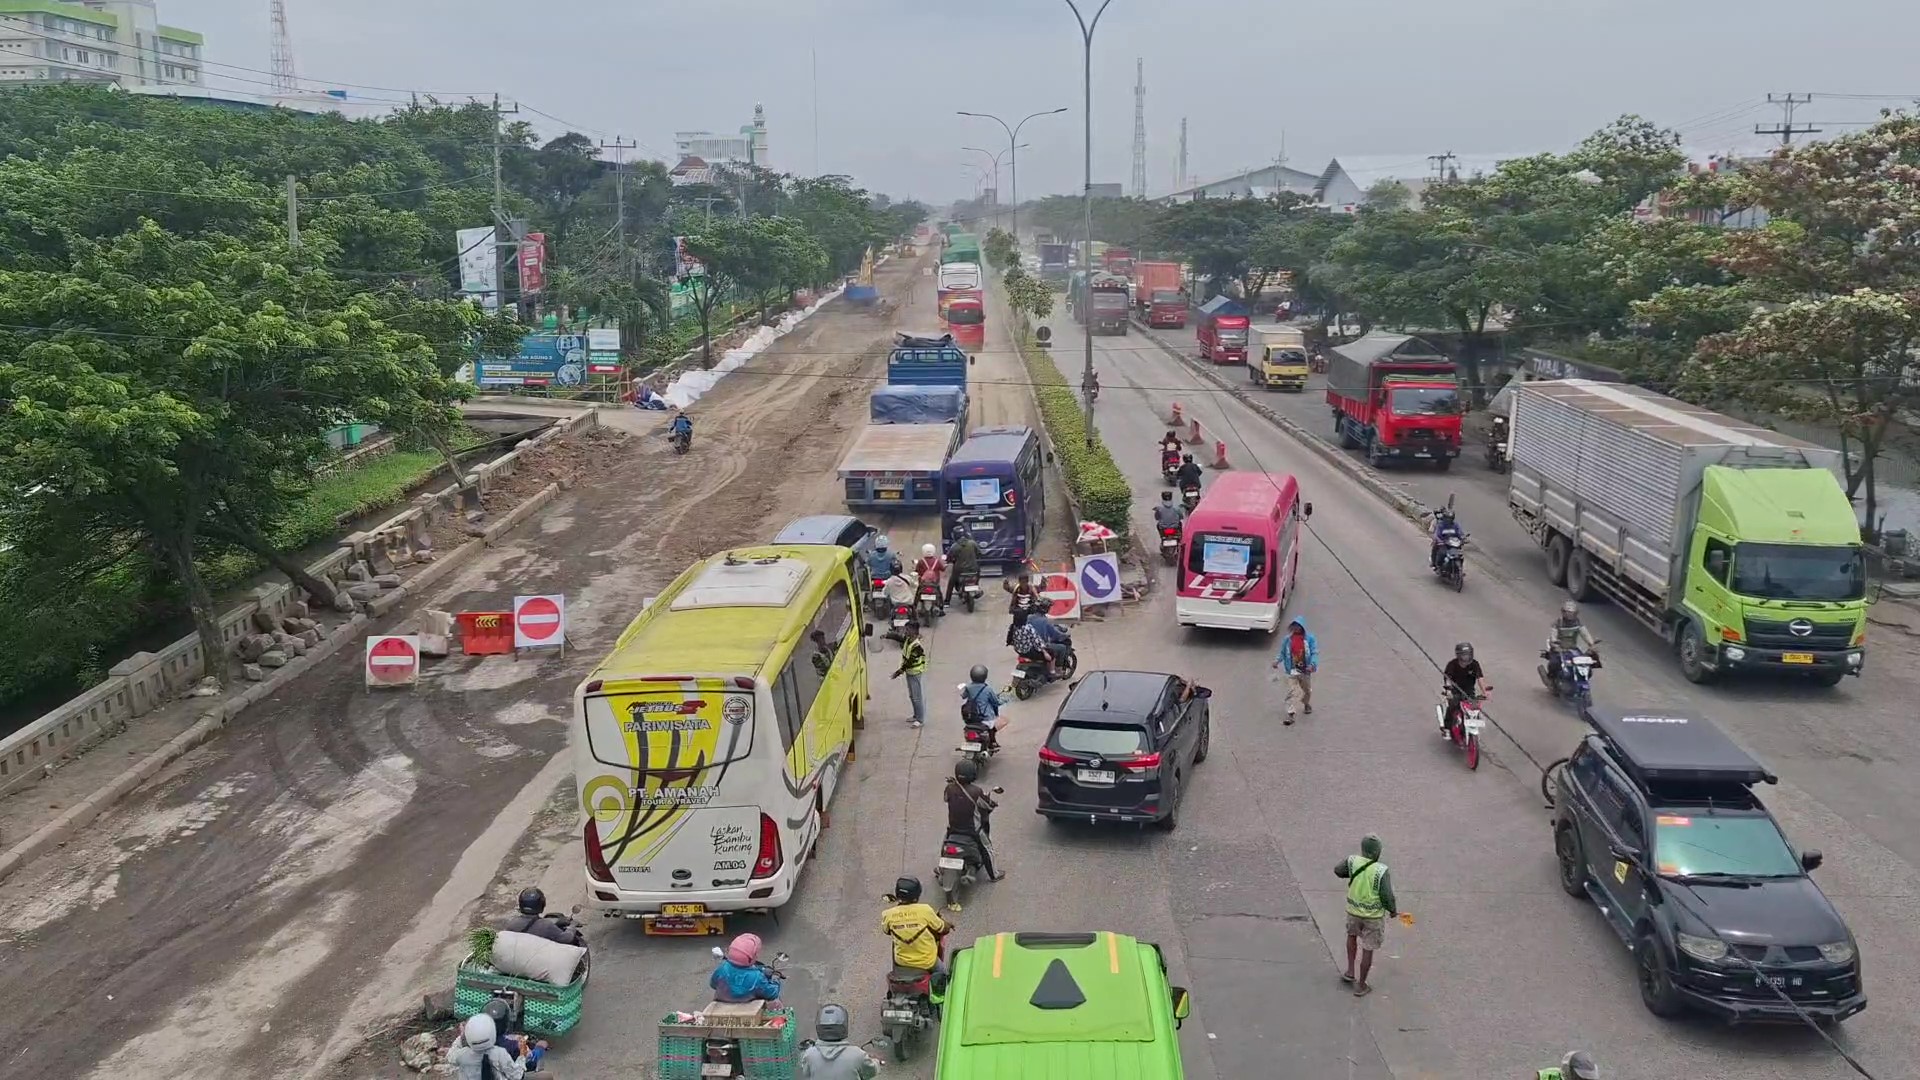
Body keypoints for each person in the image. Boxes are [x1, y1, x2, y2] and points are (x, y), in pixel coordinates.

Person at [1335, 834, 1397, 998]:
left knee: (1351, 937)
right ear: (1378, 852)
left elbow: (1338, 870)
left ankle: (1350, 971)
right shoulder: (1381, 870)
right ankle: (1361, 985)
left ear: (1363, 850)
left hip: (1353, 912)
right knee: (1368, 949)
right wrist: (1392, 910)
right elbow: (1387, 896)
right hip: (1373, 918)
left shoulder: (1353, 861)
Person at [944, 759, 1003, 889]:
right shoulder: (976, 791)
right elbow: (986, 805)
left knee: (945, 843)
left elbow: (946, 799)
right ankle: (994, 874)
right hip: (972, 831)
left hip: (953, 829)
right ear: (973, 774)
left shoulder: (949, 788)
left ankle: (941, 868)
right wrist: (992, 803)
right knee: (987, 848)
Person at [881, 877, 952, 982]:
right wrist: (949, 925)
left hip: (902, 962)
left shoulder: (887, 914)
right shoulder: (925, 910)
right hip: (927, 962)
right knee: (945, 976)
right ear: (916, 896)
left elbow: (886, 931)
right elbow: (943, 929)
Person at [799, 1003, 879, 1079]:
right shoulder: (858, 1055)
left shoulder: (809, 1055)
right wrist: (876, 1062)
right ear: (844, 1026)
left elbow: (806, 1072)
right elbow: (872, 1071)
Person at [446, 1012, 528, 1080]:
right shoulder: (499, 1053)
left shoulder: (462, 1055)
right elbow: (516, 1075)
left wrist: (462, 1036)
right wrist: (522, 1056)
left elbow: (450, 1056)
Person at [498, 887, 585, 947]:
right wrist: (572, 927)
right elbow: (567, 938)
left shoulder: (512, 923)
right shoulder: (545, 926)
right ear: (542, 905)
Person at [1270, 616, 1318, 725]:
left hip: (1305, 671)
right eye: (1294, 626)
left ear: (1302, 627)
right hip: (1291, 671)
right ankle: (1290, 715)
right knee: (1291, 692)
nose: (1296, 628)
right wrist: (1277, 661)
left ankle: (1306, 703)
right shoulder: (1287, 640)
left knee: (1307, 691)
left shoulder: (1310, 639)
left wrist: (1312, 664)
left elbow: (1315, 652)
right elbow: (1282, 653)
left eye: (1298, 626)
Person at [709, 933, 783, 1003]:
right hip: (747, 1011)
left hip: (721, 1006)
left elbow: (713, 984)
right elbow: (772, 994)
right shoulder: (757, 977)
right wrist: (776, 980)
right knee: (776, 1004)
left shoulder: (723, 968)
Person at [1544, 600, 1599, 684]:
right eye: (1568, 613)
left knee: (1585, 665)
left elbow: (1585, 634)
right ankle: (1551, 679)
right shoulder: (1557, 623)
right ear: (1563, 613)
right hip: (1559, 648)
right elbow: (1553, 635)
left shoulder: (1577, 623)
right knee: (1554, 663)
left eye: (1572, 613)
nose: (1570, 615)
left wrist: (1591, 644)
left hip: (1572, 648)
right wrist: (1555, 643)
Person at [1441, 642, 1489, 734]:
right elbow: (1447, 678)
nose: (1466, 657)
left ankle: (1471, 725)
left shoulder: (1475, 664)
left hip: (1469, 691)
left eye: (1468, 655)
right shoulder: (1452, 665)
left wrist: (1485, 691)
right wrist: (1448, 690)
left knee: (1474, 708)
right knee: (1453, 705)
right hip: (1454, 690)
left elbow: (1480, 678)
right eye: (1464, 655)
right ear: (1459, 655)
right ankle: (1446, 728)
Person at [892, 621, 929, 728]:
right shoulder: (908, 640)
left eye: (907, 629)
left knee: (916, 696)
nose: (905, 631)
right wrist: (888, 636)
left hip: (915, 672)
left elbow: (910, 662)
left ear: (914, 631)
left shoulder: (917, 646)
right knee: (912, 695)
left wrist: (898, 672)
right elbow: (899, 638)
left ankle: (920, 719)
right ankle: (916, 715)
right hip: (910, 672)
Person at [960, 664, 1009, 739]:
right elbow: (996, 702)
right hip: (985, 718)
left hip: (970, 716)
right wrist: (1005, 700)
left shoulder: (968, 687)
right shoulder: (987, 689)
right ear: (985, 677)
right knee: (1004, 720)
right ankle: (991, 736)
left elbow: (963, 696)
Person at [1009, 611, 1052, 680]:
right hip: (1030, 652)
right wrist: (1044, 652)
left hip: (1019, 651)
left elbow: (1011, 641)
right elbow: (1037, 641)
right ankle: (1050, 673)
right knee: (1051, 654)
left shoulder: (1013, 627)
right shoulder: (1028, 627)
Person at [946, 530, 982, 604]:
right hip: (973, 568)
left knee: (951, 582)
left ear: (955, 536)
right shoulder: (972, 543)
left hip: (959, 570)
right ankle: (976, 587)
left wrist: (949, 561)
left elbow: (949, 558)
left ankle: (947, 601)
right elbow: (979, 553)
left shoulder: (954, 546)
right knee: (978, 574)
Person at [913, 543, 947, 613]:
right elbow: (943, 569)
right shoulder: (937, 561)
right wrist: (945, 565)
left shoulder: (921, 561)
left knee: (918, 594)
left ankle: (914, 607)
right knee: (939, 594)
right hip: (935, 583)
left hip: (923, 584)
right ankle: (941, 608)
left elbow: (916, 570)